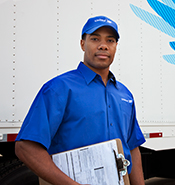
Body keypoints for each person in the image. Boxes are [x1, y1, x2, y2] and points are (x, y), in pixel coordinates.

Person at [15, 15, 146, 185]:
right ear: (82, 44)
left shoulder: (125, 95)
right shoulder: (59, 88)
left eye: (110, 40)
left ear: (115, 46)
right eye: (94, 39)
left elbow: (132, 147)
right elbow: (25, 148)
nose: (103, 45)